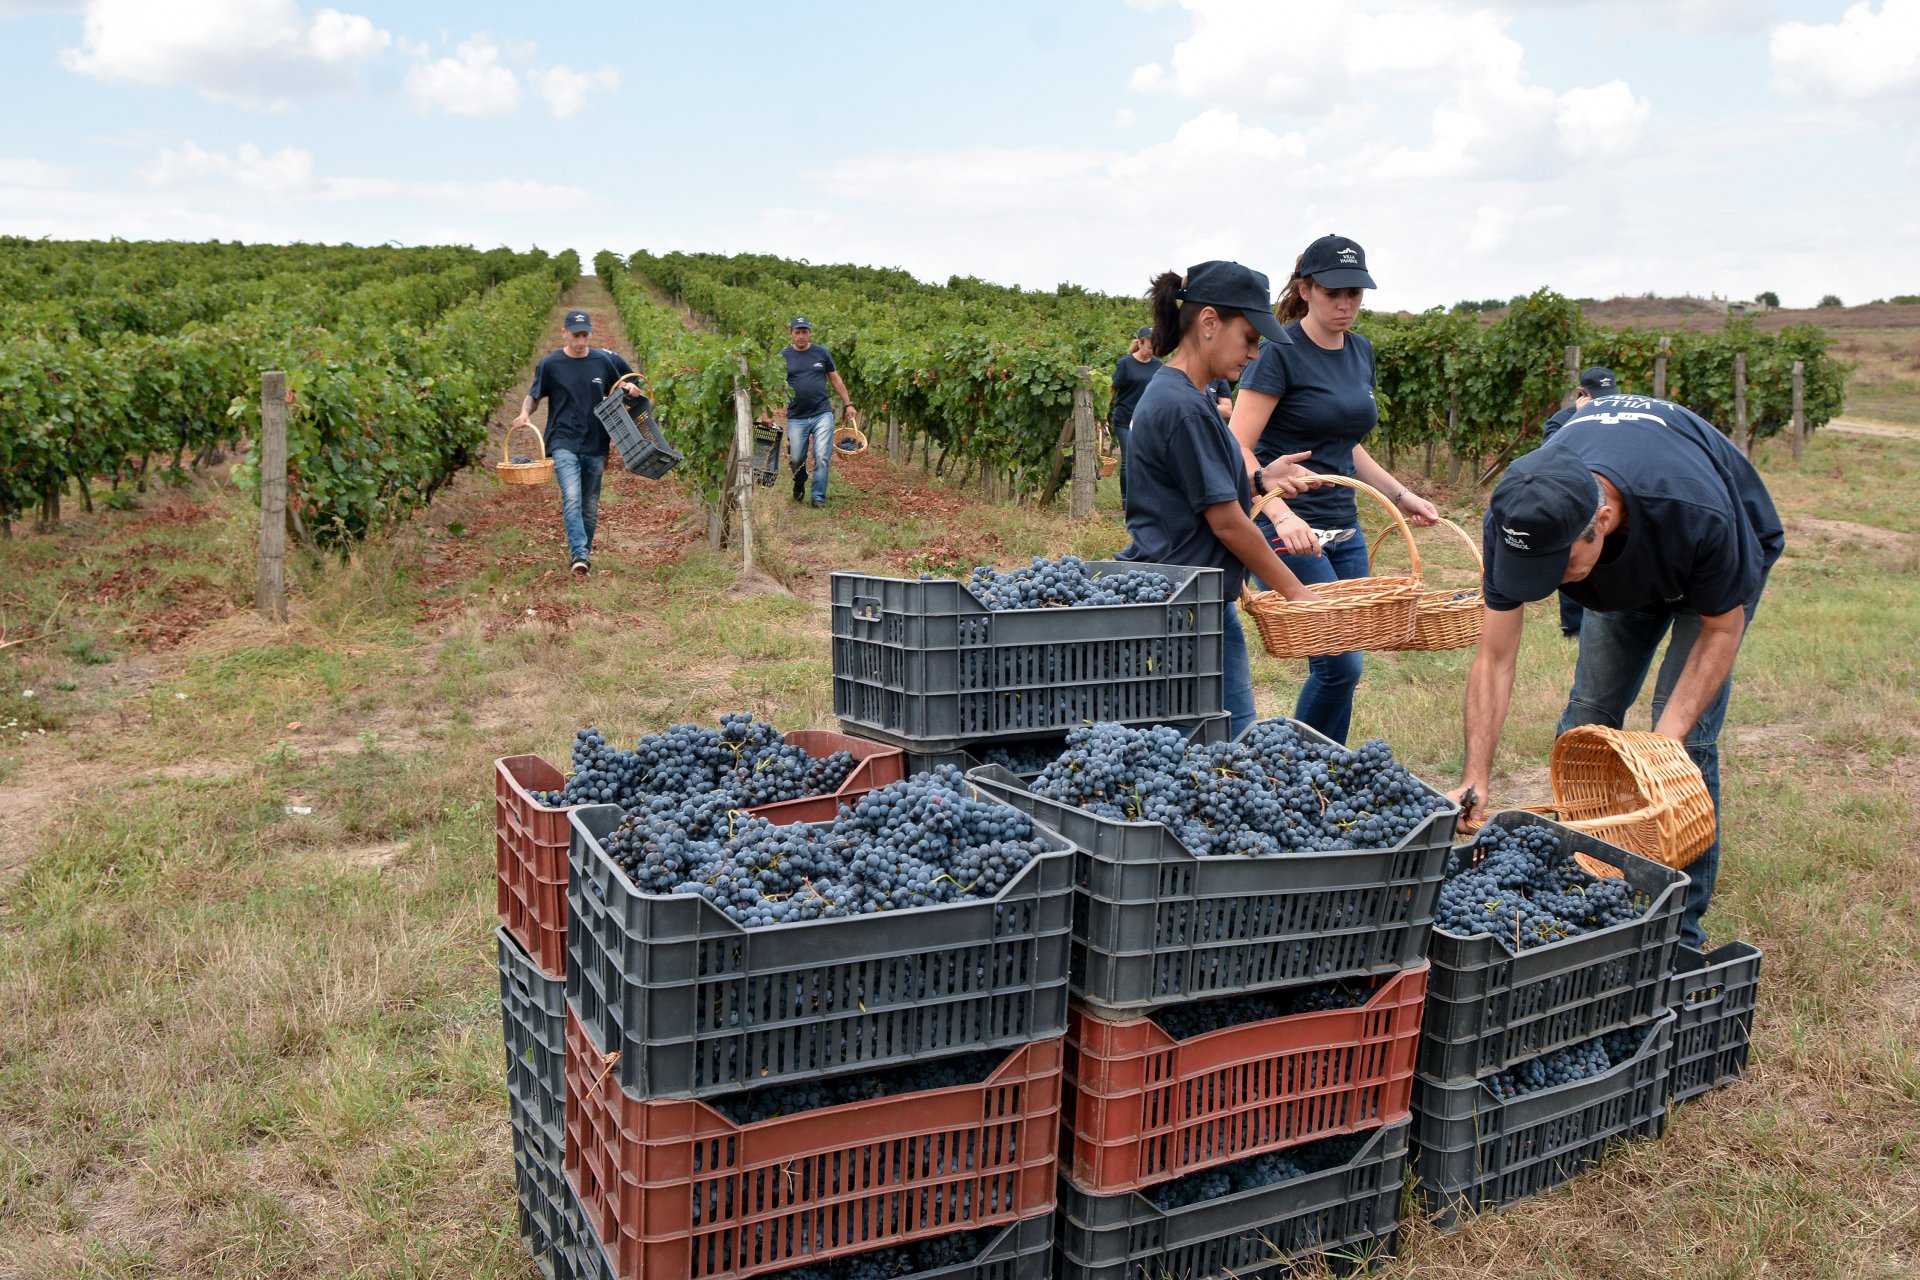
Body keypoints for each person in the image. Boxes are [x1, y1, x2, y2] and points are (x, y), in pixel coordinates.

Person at [1449, 395, 1784, 948]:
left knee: (1683, 748)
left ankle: (1679, 933)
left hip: (1710, 562)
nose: (1552, 583)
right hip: (1628, 567)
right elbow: (1494, 656)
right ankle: (1578, 902)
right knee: (1587, 717)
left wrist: (1659, 755)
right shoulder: (1520, 515)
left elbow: (1722, 629)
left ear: (1599, 521)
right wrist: (1475, 774)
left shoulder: (1694, 511)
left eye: (1561, 569)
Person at [1226, 234, 1439, 744]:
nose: (1345, 305)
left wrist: (1400, 494)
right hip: (1290, 528)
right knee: (1340, 663)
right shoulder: (1278, 351)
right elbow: (1237, 446)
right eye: (1333, 293)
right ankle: (1301, 765)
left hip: (1346, 526)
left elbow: (1346, 446)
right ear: (1306, 289)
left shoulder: (1359, 349)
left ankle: (1327, 768)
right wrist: (1277, 511)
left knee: (1348, 660)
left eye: (1355, 294)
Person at [1116, 260, 1320, 740]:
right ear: (1209, 323)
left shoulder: (1190, 396)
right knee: (1225, 746)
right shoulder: (1185, 407)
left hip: (1192, 603)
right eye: (1249, 337)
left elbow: (1195, 487)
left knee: (1215, 747)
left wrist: (1260, 479)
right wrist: (1298, 595)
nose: (1253, 354)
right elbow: (1227, 524)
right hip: (1186, 612)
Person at [514, 308, 638, 575]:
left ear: (589, 333)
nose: (580, 341)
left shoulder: (602, 362)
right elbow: (534, 395)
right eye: (575, 335)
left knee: (590, 506)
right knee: (571, 497)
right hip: (563, 440)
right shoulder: (551, 364)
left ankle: (584, 552)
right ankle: (579, 555)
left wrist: (630, 389)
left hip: (596, 441)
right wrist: (525, 413)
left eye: (584, 335)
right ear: (564, 333)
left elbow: (622, 388)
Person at [1539, 366, 1620, 638]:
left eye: (1609, 396)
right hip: (1575, 498)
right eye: (1597, 397)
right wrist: (1579, 418)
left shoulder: (1621, 414)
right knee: (1574, 559)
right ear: (1581, 393)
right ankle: (1573, 628)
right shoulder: (1562, 419)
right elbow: (1549, 455)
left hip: (1612, 500)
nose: (1604, 403)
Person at [781, 317, 856, 508]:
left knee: (822, 456)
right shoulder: (783, 356)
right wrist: (767, 411)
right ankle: (799, 481)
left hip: (822, 413)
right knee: (796, 458)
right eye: (797, 332)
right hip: (797, 416)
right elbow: (775, 386)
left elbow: (835, 380)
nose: (801, 336)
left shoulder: (821, 353)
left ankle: (818, 497)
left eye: (804, 332)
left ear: (810, 333)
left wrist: (848, 404)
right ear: (791, 334)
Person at [1109, 326, 1159, 509]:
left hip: (1146, 421)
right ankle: (1126, 501)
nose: (1152, 351)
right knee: (1128, 460)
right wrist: (1100, 414)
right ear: (1140, 343)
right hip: (1124, 418)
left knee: (1147, 460)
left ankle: (1145, 499)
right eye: (1149, 347)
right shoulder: (1125, 364)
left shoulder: (1158, 366)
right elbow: (1112, 389)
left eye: (1155, 348)